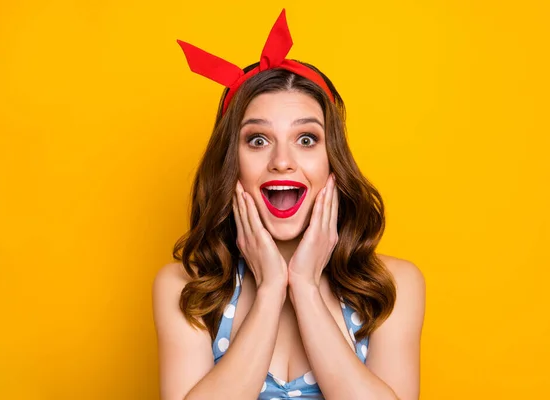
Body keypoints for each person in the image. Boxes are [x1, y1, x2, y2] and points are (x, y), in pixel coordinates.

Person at [152, 9, 426, 400]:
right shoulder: (185, 289)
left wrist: (305, 288)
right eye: (258, 140)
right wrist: (268, 293)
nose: (282, 160)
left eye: (307, 139)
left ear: (333, 160)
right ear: (232, 165)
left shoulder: (393, 285)